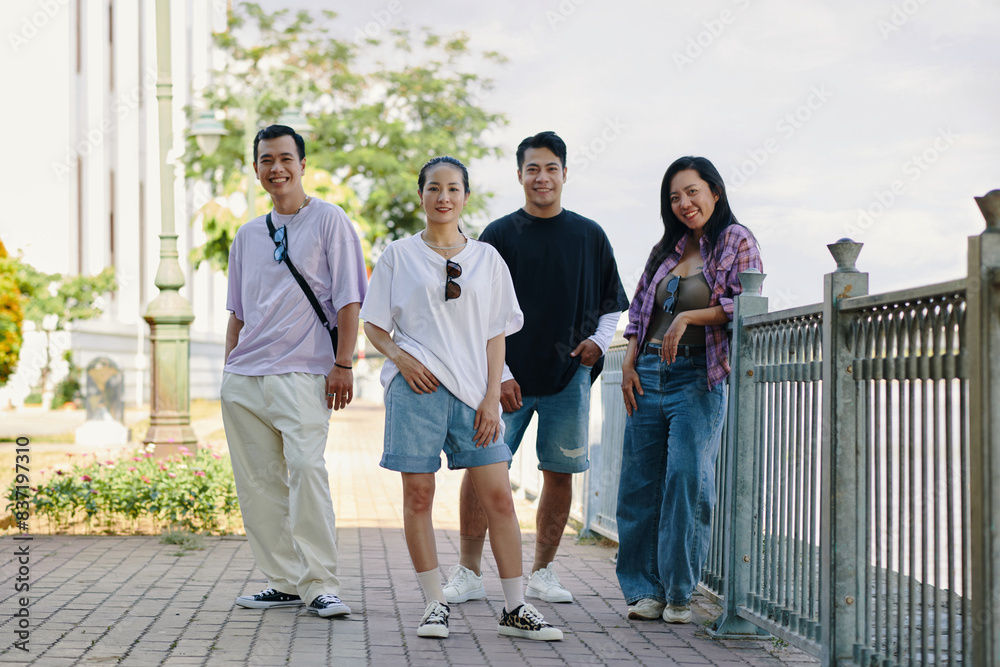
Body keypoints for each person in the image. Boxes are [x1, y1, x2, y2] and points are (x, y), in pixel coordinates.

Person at [360, 156, 563, 641]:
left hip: (474, 394)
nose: (443, 197)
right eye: (434, 188)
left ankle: (515, 608)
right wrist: (403, 359)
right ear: (421, 195)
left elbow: (496, 334)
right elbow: (373, 324)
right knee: (419, 496)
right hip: (417, 391)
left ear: (465, 197)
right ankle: (435, 604)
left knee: (499, 497)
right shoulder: (398, 255)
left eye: (453, 188)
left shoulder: (487, 259)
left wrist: (492, 396)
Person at [443, 132, 630, 606]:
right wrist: (502, 374)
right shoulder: (499, 235)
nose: (541, 177)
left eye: (550, 168)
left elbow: (612, 302)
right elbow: (476, 312)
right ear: (520, 175)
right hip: (502, 381)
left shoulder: (589, 235)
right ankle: (468, 571)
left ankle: (542, 573)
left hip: (569, 379)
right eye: (532, 169)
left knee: (559, 473)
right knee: (482, 469)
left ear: (564, 173)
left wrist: (598, 340)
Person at [222, 124, 367, 618]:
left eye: (286, 158)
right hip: (245, 378)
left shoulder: (329, 220)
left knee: (307, 470)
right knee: (258, 484)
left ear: (302, 165)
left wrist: (343, 363)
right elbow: (238, 313)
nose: (276, 168)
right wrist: (228, 371)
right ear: (256, 168)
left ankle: (320, 582)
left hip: (303, 373)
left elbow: (350, 299)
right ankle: (283, 582)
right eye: (266, 159)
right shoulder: (247, 235)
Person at [616, 156, 763, 624]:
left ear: (715, 191)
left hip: (698, 376)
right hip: (647, 372)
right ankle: (644, 591)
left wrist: (687, 316)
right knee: (639, 484)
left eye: (692, 192)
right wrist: (629, 363)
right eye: (675, 197)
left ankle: (679, 592)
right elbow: (639, 312)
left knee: (685, 478)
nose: (684, 203)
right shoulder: (666, 249)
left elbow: (744, 304)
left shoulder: (736, 240)